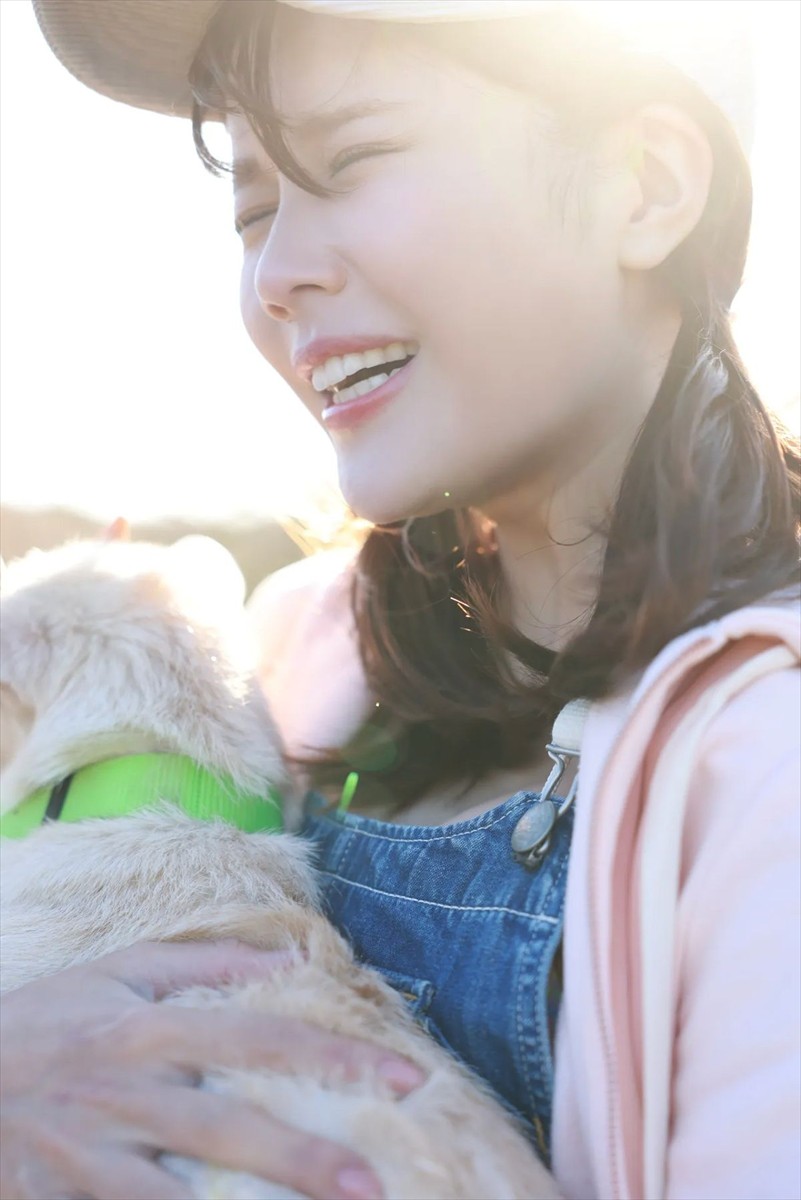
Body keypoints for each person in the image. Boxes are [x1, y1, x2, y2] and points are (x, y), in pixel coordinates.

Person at [3, 1, 799, 1197]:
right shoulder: (286, 656)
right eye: (254, 210)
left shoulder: (768, 766)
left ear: (645, 188)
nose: (279, 275)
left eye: (355, 160)